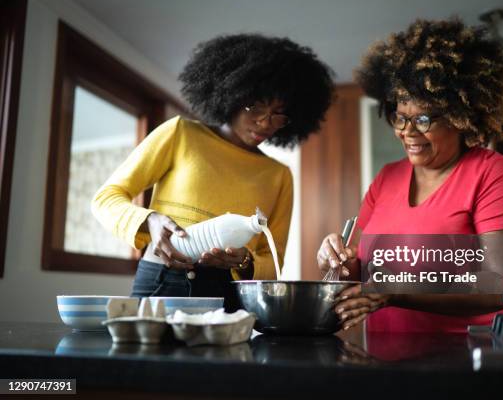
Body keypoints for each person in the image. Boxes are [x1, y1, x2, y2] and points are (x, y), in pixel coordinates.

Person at [317, 18, 503, 332]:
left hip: (464, 359)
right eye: (399, 117)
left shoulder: (493, 172)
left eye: (422, 118)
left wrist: (395, 291)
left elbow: (501, 284)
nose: (407, 132)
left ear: (460, 118)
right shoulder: (387, 178)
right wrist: (337, 261)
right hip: (384, 357)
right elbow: (364, 272)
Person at [92, 34, 334, 310]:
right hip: (162, 278)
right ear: (231, 92)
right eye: (255, 106)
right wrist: (150, 222)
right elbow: (106, 198)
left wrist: (244, 261)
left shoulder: (278, 175)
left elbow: (273, 261)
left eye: (279, 113)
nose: (265, 122)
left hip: (229, 294)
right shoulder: (180, 133)